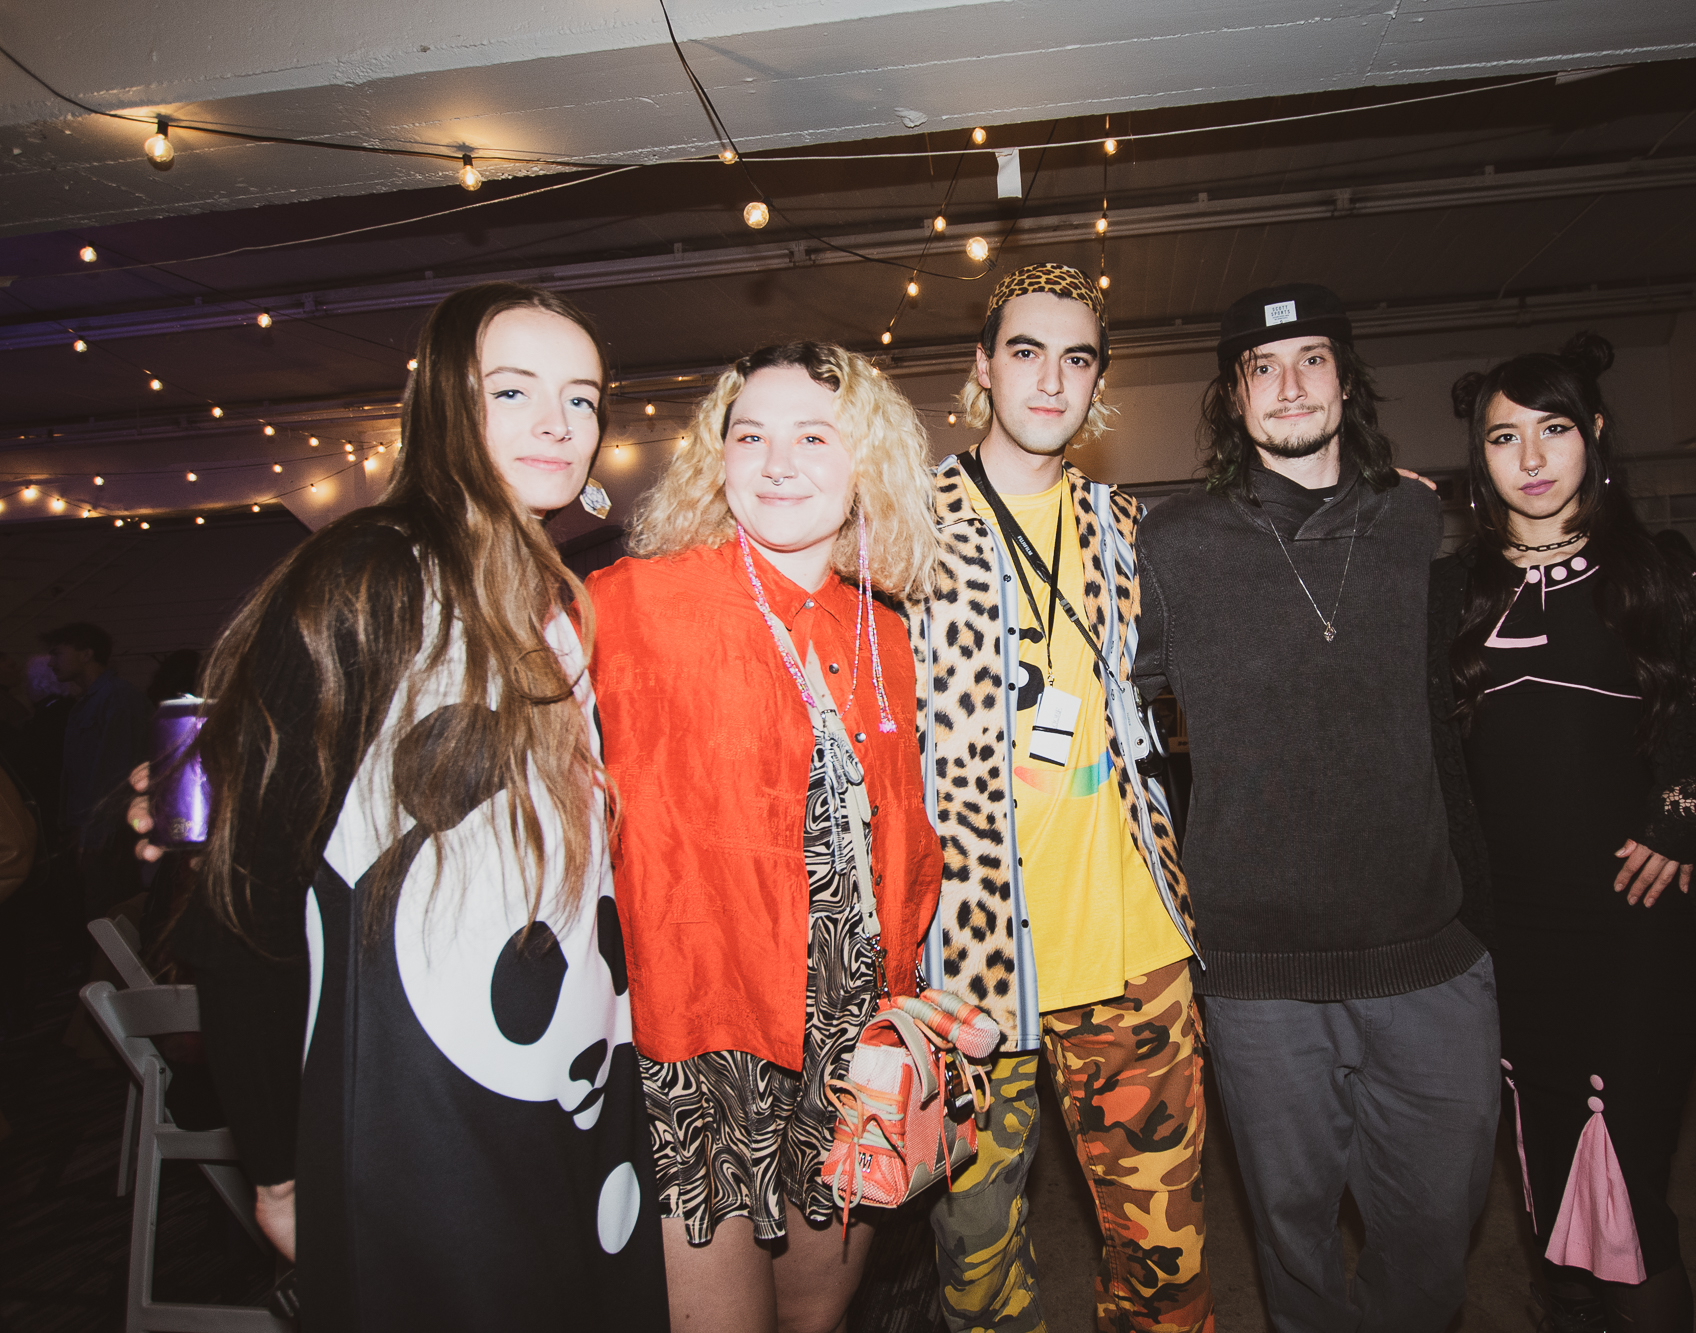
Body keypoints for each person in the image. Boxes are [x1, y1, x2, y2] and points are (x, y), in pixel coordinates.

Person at [140, 282, 667, 1330]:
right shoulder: (372, 573)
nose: (558, 424)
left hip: (571, 1084)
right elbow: (246, 891)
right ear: (443, 404)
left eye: (582, 397)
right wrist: (276, 1157)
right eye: (512, 391)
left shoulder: (556, 600)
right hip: (416, 1106)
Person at [1132, 282, 1498, 1333]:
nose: (1288, 385)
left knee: (1433, 1235)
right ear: (1233, 396)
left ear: (1346, 381)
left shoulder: (1416, 519)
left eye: (1311, 361)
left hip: (1426, 954)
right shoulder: (1173, 542)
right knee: (1292, 1242)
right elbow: (1104, 698)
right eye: (1262, 367)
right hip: (1258, 973)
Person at [587, 341, 943, 1333]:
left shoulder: (883, 629)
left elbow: (902, 845)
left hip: (849, 1041)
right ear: (719, 458)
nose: (777, 463)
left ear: (866, 461)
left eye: (813, 438)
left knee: (815, 1317)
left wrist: (901, 1012)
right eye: (750, 437)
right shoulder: (635, 603)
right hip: (701, 1041)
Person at [918, 262, 1210, 1333]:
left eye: (1076, 358)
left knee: (1167, 1266)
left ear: (1098, 380)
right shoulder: (905, 523)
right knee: (977, 1277)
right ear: (983, 367)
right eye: (1026, 352)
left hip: (1131, 955)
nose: (1050, 379)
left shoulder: (1128, 525)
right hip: (967, 969)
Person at [1437, 334, 1696, 1333]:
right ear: (1479, 456)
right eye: (1503, 437)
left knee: (1630, 1193)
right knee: (1545, 1180)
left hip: (1636, 928)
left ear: (1596, 432)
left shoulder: (1659, 574)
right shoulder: (1451, 593)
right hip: (1504, 939)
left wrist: (1679, 819)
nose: (1529, 457)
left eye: (1554, 429)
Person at [44, 622, 150, 917]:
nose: (51, 662)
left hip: (111, 835)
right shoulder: (89, 702)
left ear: (86, 654)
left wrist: (94, 835)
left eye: (57, 653)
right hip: (93, 831)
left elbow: (115, 772)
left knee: (109, 915)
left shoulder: (117, 699)